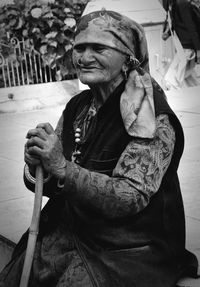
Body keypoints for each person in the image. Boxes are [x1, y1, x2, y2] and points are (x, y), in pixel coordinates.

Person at [0, 8, 199, 287]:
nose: (85, 57)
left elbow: (130, 197)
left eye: (99, 48)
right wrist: (37, 164)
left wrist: (61, 167)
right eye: (79, 48)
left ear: (127, 57)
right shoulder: (78, 106)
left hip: (130, 248)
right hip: (74, 231)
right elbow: (50, 181)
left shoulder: (148, 113)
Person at [163, 0, 200, 88]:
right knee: (188, 75)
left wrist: (198, 49)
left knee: (172, 79)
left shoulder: (182, 3)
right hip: (182, 44)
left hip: (187, 45)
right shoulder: (172, 3)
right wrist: (167, 33)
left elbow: (191, 27)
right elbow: (176, 22)